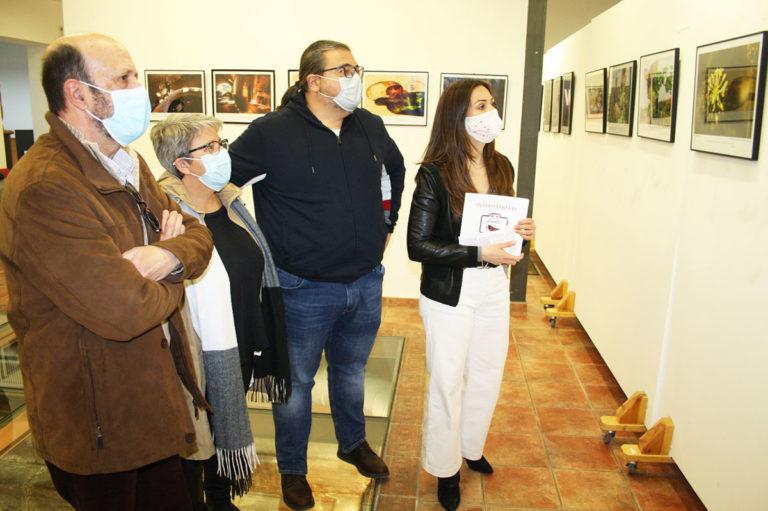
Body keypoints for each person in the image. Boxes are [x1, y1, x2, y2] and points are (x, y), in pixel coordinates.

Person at [0, 34, 214, 510]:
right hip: (97, 421)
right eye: (123, 78)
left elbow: (198, 235)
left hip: (150, 400)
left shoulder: (125, 161)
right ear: (77, 94)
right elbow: (125, 310)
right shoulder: (45, 187)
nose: (139, 88)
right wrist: (175, 265)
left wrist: (163, 257)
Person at [228, 40, 405, 510]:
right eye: (343, 69)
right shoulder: (271, 132)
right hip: (302, 287)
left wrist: (385, 227)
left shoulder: (369, 124)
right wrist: (247, 247)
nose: (354, 76)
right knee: (297, 384)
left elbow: (393, 172)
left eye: (355, 67)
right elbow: (221, 186)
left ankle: (353, 443)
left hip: (365, 282)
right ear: (313, 80)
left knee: (351, 370)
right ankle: (292, 469)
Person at [150, 114, 291, 510]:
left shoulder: (230, 201)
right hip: (198, 346)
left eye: (221, 145)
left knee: (226, 412)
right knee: (197, 426)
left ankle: (217, 494)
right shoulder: (165, 212)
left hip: (241, 337)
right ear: (181, 163)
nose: (221, 154)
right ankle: (193, 498)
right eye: (209, 148)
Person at [407, 79, 536, 511]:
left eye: (492, 104)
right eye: (481, 105)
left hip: (494, 287)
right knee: (447, 381)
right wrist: (478, 251)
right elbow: (418, 245)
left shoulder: (501, 166)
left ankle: (471, 447)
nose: (491, 113)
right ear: (457, 116)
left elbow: (506, 230)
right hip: (450, 292)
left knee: (485, 374)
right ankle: (444, 469)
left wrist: (524, 237)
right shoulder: (434, 173)